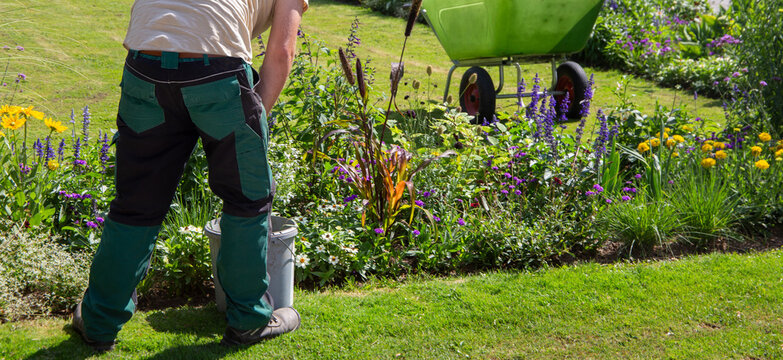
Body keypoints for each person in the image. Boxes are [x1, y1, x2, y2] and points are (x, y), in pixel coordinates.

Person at [71, 0, 308, 351]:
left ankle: (98, 321)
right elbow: (282, 52)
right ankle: (250, 319)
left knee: (136, 204)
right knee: (247, 199)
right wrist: (249, 125)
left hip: (144, 64)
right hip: (218, 70)